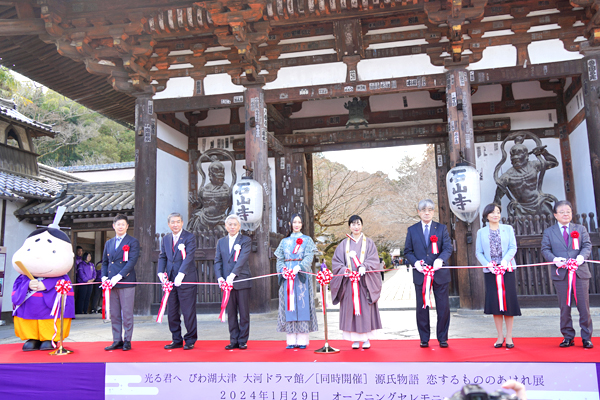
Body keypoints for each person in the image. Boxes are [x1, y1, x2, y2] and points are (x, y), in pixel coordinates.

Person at [541, 200, 593, 348]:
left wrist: (581, 258)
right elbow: (545, 249)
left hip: (580, 272)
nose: (566, 214)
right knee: (565, 307)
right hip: (561, 274)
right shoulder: (549, 232)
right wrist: (555, 259)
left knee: (584, 306)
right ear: (555, 215)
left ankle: (586, 337)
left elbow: (587, 245)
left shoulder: (580, 228)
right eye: (562, 212)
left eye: (568, 211)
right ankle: (568, 336)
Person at [404, 199, 453, 348]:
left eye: (430, 210)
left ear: (433, 212)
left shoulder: (441, 228)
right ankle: (424, 338)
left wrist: (441, 260)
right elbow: (408, 251)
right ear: (418, 212)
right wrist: (415, 263)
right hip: (421, 274)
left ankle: (442, 337)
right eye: (424, 210)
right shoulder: (412, 230)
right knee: (422, 307)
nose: (427, 212)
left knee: (443, 306)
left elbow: (448, 248)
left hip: (440, 273)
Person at [330, 215, 382, 349]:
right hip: (349, 283)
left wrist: (365, 266)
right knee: (351, 309)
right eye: (353, 224)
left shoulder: (369, 243)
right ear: (349, 227)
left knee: (365, 309)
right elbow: (336, 262)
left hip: (364, 282)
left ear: (362, 226)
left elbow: (374, 260)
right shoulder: (344, 244)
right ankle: (353, 338)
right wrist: (344, 270)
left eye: (358, 224)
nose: (356, 227)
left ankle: (365, 339)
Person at [475, 203, 520, 348]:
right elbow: (479, 252)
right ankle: (500, 336)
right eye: (492, 212)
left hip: (507, 270)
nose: (496, 215)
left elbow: (513, 247)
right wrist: (487, 264)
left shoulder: (508, 229)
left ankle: (509, 336)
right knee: (495, 303)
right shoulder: (481, 232)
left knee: (509, 303)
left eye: (498, 212)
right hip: (491, 272)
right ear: (486, 215)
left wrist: (505, 261)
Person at [274, 213, 318, 349]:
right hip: (288, 276)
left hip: (301, 276)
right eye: (295, 222)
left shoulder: (307, 240)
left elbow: (309, 256)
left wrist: (300, 266)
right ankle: (291, 339)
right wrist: (283, 270)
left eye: (299, 222)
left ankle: (303, 340)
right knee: (289, 304)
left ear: (302, 224)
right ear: (290, 224)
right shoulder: (284, 241)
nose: (297, 225)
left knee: (302, 303)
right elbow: (279, 259)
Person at [158, 213, 198, 350]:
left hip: (185, 279)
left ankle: (190, 339)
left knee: (188, 311)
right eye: (173, 222)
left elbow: (189, 257)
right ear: (169, 224)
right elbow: (162, 256)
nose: (175, 224)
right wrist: (160, 273)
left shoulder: (189, 237)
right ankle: (176, 339)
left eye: (178, 222)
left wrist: (181, 274)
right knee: (172, 311)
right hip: (170, 280)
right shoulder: (166, 239)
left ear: (182, 223)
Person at [101, 214, 140, 351]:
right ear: (114, 226)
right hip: (111, 283)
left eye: (123, 224)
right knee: (115, 313)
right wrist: (104, 277)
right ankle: (117, 339)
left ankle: (127, 340)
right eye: (118, 224)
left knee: (127, 313)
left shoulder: (132, 242)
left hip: (126, 282)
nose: (121, 226)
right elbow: (105, 262)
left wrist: (119, 276)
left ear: (127, 226)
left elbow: (131, 262)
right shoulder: (109, 243)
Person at [214, 214, 252, 350]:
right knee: (231, 313)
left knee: (243, 312)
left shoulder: (245, 240)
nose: (232, 226)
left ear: (239, 226)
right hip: (226, 284)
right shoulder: (221, 242)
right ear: (225, 226)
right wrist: (219, 277)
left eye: (235, 224)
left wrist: (232, 275)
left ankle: (243, 340)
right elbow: (217, 261)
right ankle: (233, 339)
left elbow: (242, 259)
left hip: (241, 280)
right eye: (229, 224)